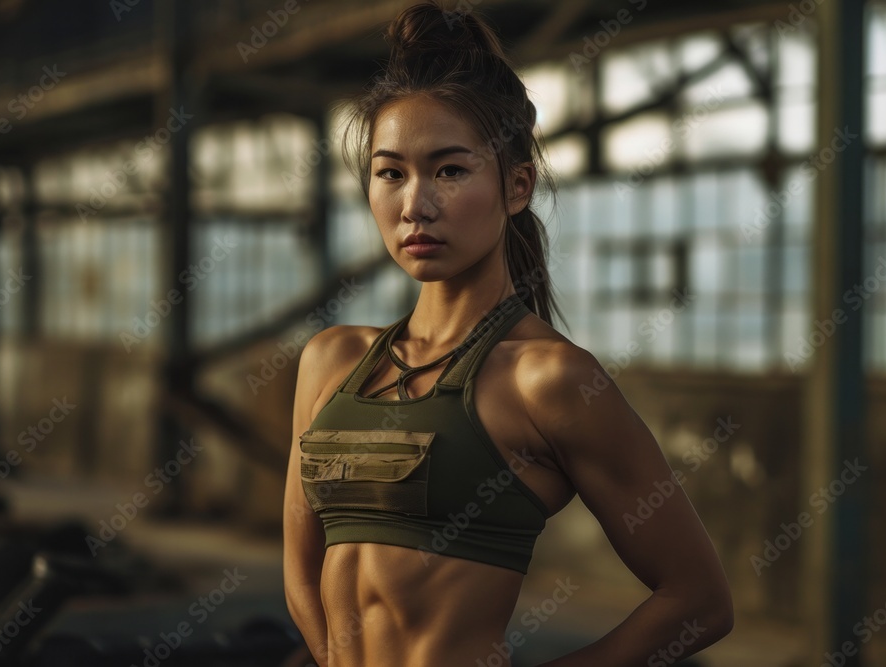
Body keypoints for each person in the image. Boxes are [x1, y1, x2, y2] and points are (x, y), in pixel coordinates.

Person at [282, 2, 734, 665]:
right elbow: (300, 573)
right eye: (391, 173)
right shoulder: (330, 359)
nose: (415, 205)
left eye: (450, 169)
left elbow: (699, 600)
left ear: (516, 184)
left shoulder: (548, 380)